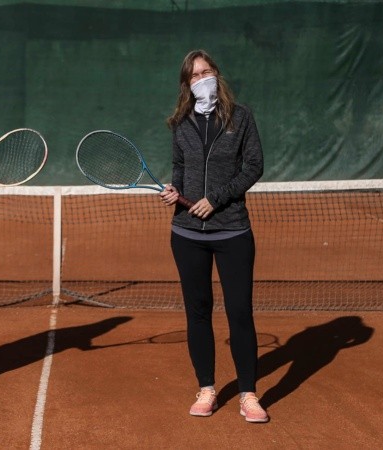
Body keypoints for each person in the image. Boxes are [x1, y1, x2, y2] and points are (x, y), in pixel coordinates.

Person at [159, 50, 268, 423]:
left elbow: (254, 166)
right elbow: (179, 167)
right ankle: (206, 388)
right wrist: (175, 190)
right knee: (198, 312)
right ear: (186, 85)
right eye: (193, 76)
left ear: (217, 75)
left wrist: (216, 199)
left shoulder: (241, 117)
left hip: (233, 230)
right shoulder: (180, 122)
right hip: (186, 233)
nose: (201, 79)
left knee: (240, 312)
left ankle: (248, 394)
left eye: (205, 72)